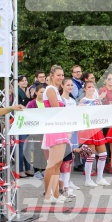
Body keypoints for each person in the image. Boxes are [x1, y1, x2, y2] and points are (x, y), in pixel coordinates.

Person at [42, 65, 71, 204]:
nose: (61, 77)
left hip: (61, 127)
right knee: (52, 163)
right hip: (54, 128)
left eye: (62, 75)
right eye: (58, 75)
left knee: (58, 163)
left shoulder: (56, 90)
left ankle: (55, 194)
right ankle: (48, 195)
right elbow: (56, 108)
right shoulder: (50, 89)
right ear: (52, 75)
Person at [78, 82, 110, 187]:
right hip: (88, 129)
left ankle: (99, 178)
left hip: (97, 129)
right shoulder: (82, 101)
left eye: (92, 87)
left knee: (103, 154)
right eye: (89, 87)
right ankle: (88, 180)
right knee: (90, 155)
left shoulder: (98, 101)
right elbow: (83, 113)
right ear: (85, 89)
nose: (91, 89)